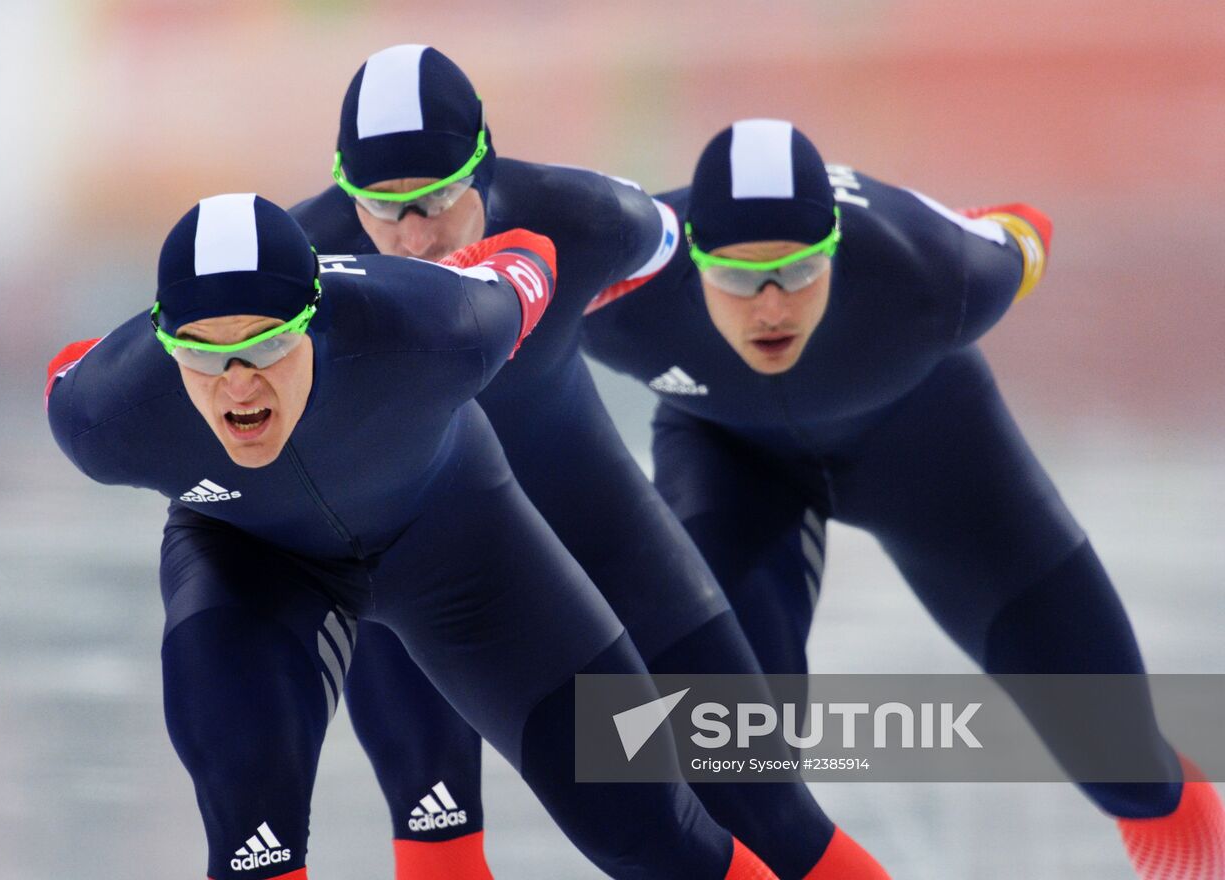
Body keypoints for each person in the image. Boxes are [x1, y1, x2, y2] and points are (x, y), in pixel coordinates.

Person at [44, 193, 780, 880]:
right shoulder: (107, 416)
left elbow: (527, 254)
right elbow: (71, 368)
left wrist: (461, 270)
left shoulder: (439, 327)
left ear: (314, 318)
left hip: (457, 542)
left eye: (265, 347)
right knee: (249, 828)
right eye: (203, 354)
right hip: (253, 561)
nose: (236, 383)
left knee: (651, 830)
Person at [290, 46, 888, 880]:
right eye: (381, 210)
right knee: (438, 846)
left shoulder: (587, 218)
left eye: (435, 199)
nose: (413, 236)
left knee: (769, 808)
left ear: (485, 168)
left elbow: (690, 261)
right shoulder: (298, 269)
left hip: (595, 523)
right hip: (424, 571)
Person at [581, 118, 1225, 879]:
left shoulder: (934, 270)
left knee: (1125, 766)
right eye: (735, 278)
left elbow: (1022, 230)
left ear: (837, 250)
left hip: (929, 450)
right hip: (728, 462)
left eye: (797, 271)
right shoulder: (614, 288)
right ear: (690, 261)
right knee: (729, 765)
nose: (770, 307)